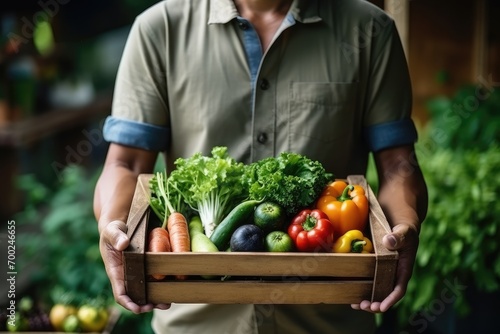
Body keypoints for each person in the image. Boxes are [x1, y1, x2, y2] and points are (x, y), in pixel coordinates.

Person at [93, 0, 428, 333]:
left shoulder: (369, 29)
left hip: (329, 319)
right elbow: (125, 163)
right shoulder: (161, 28)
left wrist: (404, 225)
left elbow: (399, 164)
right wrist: (113, 225)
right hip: (196, 321)